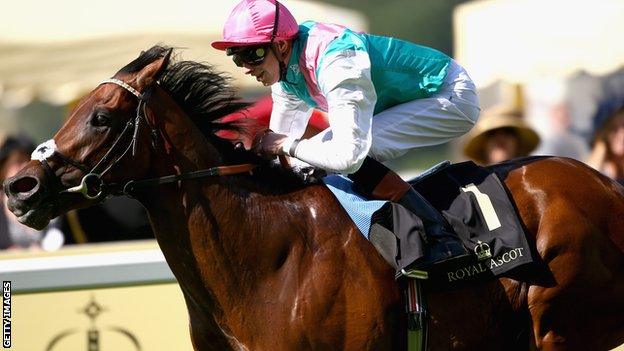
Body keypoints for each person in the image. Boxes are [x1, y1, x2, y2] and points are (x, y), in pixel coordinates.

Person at [212, 0, 481, 268]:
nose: (246, 66)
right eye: (237, 56)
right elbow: (279, 153)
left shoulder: (337, 60)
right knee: (307, 159)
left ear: (281, 45)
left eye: (252, 54)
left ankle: (441, 238)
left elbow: (347, 157)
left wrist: (285, 145)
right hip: (411, 102)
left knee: (336, 153)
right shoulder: (286, 71)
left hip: (450, 96)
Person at [0, 134, 66, 251]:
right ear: (4, 168)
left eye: (27, 161)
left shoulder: (50, 199)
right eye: (18, 161)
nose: (23, 168)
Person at [462, 105, 540, 165]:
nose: (500, 137)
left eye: (508, 131)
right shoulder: (470, 183)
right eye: (493, 132)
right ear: (483, 145)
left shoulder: (535, 180)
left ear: (519, 143)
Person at [586, 100, 624, 184]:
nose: (621, 133)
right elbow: (585, 180)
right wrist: (601, 146)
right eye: (614, 129)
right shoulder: (601, 164)